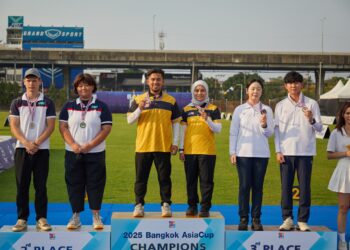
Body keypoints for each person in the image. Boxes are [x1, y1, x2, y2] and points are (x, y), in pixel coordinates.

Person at [59, 73, 112, 230]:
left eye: (87, 85)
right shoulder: (68, 105)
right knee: (74, 184)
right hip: (73, 152)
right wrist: (74, 144)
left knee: (95, 184)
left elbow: (106, 128)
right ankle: (76, 216)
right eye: (80, 85)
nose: (84, 88)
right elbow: (63, 127)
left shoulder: (102, 106)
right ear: (76, 88)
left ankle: (96, 216)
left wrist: (90, 145)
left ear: (92, 87)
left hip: (95, 153)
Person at [127, 68, 181, 217]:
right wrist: (140, 108)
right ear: (147, 81)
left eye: (158, 79)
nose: (155, 82)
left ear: (162, 81)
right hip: (143, 146)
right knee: (140, 178)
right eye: (152, 79)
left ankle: (166, 204)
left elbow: (176, 123)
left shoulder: (171, 100)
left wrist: (175, 142)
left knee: (164, 178)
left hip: (163, 146)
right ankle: (139, 205)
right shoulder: (138, 99)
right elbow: (130, 120)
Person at [274, 71, 322, 231]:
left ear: (302, 85)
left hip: (305, 152)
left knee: (305, 187)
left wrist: (311, 119)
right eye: (290, 83)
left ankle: (302, 220)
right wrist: (277, 151)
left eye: (296, 82)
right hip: (286, 153)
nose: (293, 85)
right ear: (285, 86)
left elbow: (320, 128)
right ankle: (287, 219)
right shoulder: (280, 105)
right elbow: (277, 131)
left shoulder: (312, 104)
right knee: (286, 187)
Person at [9, 68, 56, 232]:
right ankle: (22, 219)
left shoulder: (47, 102)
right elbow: (14, 126)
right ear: (24, 82)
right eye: (28, 80)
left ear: (40, 82)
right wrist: (26, 143)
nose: (31, 83)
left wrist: (35, 143)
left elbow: (51, 126)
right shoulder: (17, 102)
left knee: (40, 185)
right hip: (22, 149)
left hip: (41, 149)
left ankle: (41, 218)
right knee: (22, 185)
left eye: (34, 80)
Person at [229, 79, 274, 231]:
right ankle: (243, 218)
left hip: (261, 155)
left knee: (258, 188)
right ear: (247, 90)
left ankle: (256, 219)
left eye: (259, 89)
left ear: (262, 92)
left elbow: (269, 133)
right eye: (253, 88)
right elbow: (233, 132)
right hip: (243, 154)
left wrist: (264, 124)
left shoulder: (267, 110)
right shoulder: (239, 110)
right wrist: (232, 152)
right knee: (244, 187)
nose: (255, 92)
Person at [179, 80, 221, 218]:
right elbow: (183, 131)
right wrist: (181, 149)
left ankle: (204, 207)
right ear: (193, 92)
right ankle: (192, 206)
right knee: (190, 181)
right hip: (190, 151)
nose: (199, 93)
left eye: (202, 90)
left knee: (206, 181)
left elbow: (218, 129)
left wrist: (207, 119)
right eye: (196, 90)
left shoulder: (213, 109)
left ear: (207, 92)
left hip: (207, 151)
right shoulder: (186, 109)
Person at [327, 102, 350, 250]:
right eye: (348, 113)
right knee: (343, 207)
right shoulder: (336, 133)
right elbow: (329, 155)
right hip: (344, 171)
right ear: (343, 115)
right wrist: (346, 153)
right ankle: (342, 240)